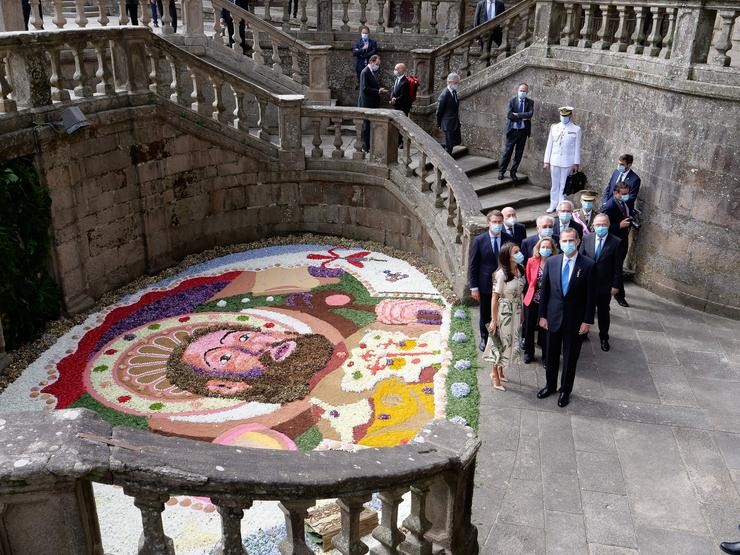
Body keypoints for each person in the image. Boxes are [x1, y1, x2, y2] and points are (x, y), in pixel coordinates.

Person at [537, 227, 596, 408]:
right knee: (551, 354)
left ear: (578, 241)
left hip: (575, 320)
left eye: (571, 241)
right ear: (560, 243)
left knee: (570, 358)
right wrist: (542, 316)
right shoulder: (552, 262)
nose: (568, 244)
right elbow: (544, 292)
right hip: (553, 317)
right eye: (564, 241)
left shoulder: (588, 265)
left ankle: (565, 390)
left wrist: (587, 321)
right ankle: (550, 385)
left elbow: (591, 296)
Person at [579, 214, 622, 351]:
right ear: (593, 225)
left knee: (603, 312)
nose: (601, 227)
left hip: (604, 286)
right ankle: (583, 333)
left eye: (604, 224)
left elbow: (617, 266)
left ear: (609, 225)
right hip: (586, 284)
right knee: (585, 310)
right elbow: (580, 260)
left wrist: (616, 285)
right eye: (598, 225)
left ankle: (604, 337)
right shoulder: (586, 238)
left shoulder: (616, 242)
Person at [485, 242, 525, 390]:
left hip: (516, 311)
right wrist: (494, 320)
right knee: (498, 344)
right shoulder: (501, 274)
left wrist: (522, 313)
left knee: (509, 342)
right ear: (507, 256)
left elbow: (520, 294)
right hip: (504, 312)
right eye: (515, 252)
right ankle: (494, 374)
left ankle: (501, 371)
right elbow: (494, 298)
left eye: (519, 251)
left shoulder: (521, 270)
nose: (519, 254)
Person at [470, 210, 506, 351]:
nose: (497, 225)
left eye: (499, 222)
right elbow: (473, 265)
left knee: (501, 312)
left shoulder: (508, 238)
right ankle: (484, 338)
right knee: (485, 312)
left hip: (503, 284)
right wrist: (474, 287)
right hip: (485, 284)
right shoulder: (479, 240)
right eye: (494, 222)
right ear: (488, 223)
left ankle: (499, 337)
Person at [523, 237, 557, 365]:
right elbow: (529, 280)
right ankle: (528, 353)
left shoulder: (555, 262)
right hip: (532, 299)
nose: (545, 249)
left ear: (552, 249)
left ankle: (545, 357)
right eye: (543, 247)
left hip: (548, 301)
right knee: (528, 328)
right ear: (538, 248)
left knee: (545, 329)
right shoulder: (531, 261)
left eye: (548, 247)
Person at [544, 106, 582, 213]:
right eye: (562, 115)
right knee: (554, 184)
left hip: (567, 161)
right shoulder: (554, 127)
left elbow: (577, 147)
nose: (564, 117)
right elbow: (549, 144)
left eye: (566, 116)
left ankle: (561, 205)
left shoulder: (576, 129)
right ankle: (553, 204)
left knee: (563, 185)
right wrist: (546, 160)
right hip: (554, 160)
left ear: (570, 115)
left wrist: (576, 163)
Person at [602, 182, 632, 307]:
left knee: (618, 267)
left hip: (623, 239)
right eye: (623, 194)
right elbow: (602, 226)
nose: (626, 196)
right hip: (615, 242)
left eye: (627, 193)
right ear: (616, 193)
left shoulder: (626, 202)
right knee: (617, 268)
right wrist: (619, 226)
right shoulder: (609, 206)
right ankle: (619, 296)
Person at [499, 83, 534, 182]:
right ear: (517, 90)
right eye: (521, 90)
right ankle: (501, 171)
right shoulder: (512, 101)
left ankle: (513, 172)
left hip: (523, 132)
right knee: (507, 153)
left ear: (527, 92)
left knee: (518, 154)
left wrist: (517, 114)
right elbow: (509, 115)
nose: (522, 92)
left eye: (524, 91)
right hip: (512, 131)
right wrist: (523, 117)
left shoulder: (530, 102)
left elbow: (530, 114)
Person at [358, 55, 387, 152]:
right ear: (372, 62)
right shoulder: (365, 72)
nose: (378, 66)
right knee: (366, 126)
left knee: (370, 126)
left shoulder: (371, 71)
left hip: (372, 103)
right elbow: (364, 88)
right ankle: (366, 147)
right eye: (377, 64)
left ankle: (369, 145)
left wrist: (379, 90)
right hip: (367, 103)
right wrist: (378, 91)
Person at [436, 73, 462, 155]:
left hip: (455, 122)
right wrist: (439, 123)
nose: (457, 85)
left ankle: (441, 146)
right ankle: (446, 164)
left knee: (458, 140)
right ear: (450, 82)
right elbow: (439, 111)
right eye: (456, 83)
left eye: (458, 83)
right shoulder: (444, 95)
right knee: (449, 147)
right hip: (447, 123)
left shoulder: (454, 92)